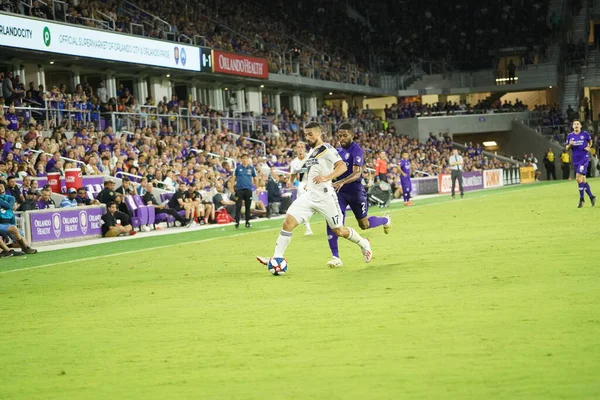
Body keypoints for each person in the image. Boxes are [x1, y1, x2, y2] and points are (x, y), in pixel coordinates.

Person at [256, 122, 373, 268]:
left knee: (339, 230)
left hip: (326, 197)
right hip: (310, 196)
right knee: (288, 223)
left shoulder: (327, 148)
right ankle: (277, 258)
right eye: (306, 134)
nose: (308, 137)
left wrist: (327, 177)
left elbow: (342, 166)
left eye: (310, 134)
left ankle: (364, 243)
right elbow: (309, 171)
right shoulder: (312, 152)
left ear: (319, 133)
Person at [326, 123, 390, 267]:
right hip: (340, 192)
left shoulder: (357, 150)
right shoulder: (337, 151)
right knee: (333, 220)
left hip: (355, 192)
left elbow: (357, 173)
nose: (341, 138)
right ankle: (335, 257)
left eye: (345, 135)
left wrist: (341, 181)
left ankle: (385, 220)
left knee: (364, 224)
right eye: (339, 136)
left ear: (352, 135)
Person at [566, 120, 596, 207]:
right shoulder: (570, 136)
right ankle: (591, 196)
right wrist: (570, 145)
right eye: (574, 124)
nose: (576, 125)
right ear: (572, 126)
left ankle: (582, 199)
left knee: (578, 178)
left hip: (584, 159)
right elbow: (567, 147)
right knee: (583, 180)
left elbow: (590, 141)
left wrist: (589, 146)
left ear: (580, 126)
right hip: (575, 160)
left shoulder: (585, 134)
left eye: (577, 124)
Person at [289, 141, 312, 235]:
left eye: (302, 147)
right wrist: (290, 182)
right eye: (298, 147)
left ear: (305, 149)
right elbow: (293, 174)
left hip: (313, 183)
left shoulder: (310, 158)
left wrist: (310, 183)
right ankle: (308, 228)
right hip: (302, 184)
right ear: (296, 149)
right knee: (302, 207)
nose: (300, 149)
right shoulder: (294, 162)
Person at [233, 154, 257, 229]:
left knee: (248, 206)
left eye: (246, 158)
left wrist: (257, 188)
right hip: (239, 190)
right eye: (243, 158)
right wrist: (232, 188)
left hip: (248, 190)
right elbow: (233, 178)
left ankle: (247, 222)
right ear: (241, 159)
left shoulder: (251, 168)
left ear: (248, 159)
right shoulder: (237, 168)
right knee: (238, 206)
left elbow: (255, 178)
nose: (244, 160)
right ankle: (237, 222)